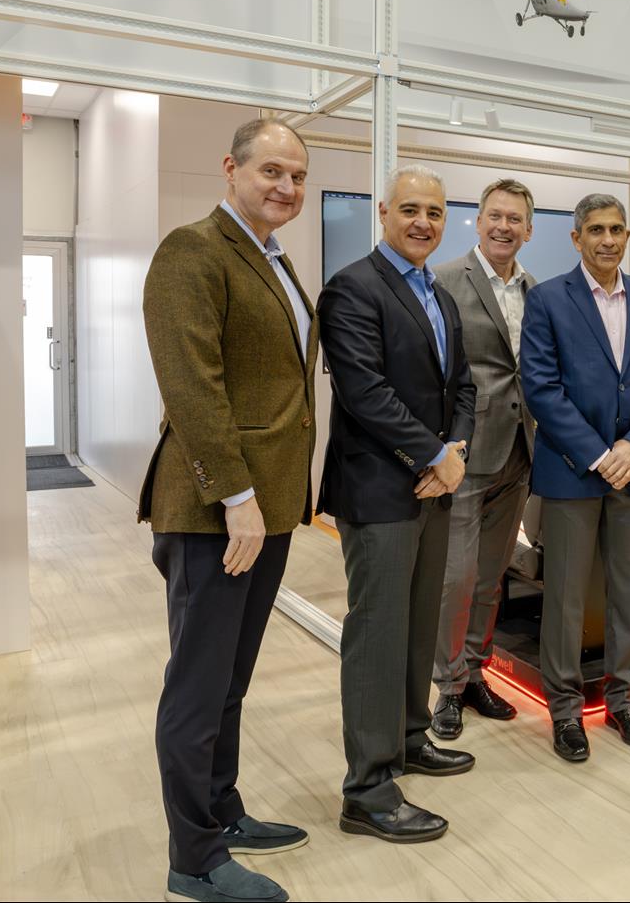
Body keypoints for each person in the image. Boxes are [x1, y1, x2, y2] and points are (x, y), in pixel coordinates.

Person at [140, 118, 315, 903]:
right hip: (216, 508)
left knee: (230, 681)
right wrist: (236, 497)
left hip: (265, 506)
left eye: (297, 176)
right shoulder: (193, 250)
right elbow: (191, 386)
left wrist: (265, 503)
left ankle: (222, 810)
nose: (286, 186)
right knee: (197, 688)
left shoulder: (271, 258)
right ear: (231, 168)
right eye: (271, 170)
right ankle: (194, 859)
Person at [317, 165, 477, 844]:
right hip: (381, 489)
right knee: (378, 634)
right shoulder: (352, 287)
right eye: (410, 209)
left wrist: (455, 451)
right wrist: (435, 456)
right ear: (383, 212)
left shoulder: (437, 294)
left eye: (434, 212)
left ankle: (410, 738)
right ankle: (368, 788)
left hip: (433, 485)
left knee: (416, 623)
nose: (423, 222)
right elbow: (364, 392)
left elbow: (461, 386)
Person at [520, 193, 630, 762]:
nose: (607, 240)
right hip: (572, 473)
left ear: (627, 236)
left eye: (616, 229)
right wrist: (597, 454)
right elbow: (541, 388)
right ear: (576, 238)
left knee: (629, 592)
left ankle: (623, 698)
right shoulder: (546, 299)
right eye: (595, 230)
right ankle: (565, 708)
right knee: (565, 596)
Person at [429, 178, 538, 739]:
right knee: (457, 577)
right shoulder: (445, 280)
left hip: (521, 449)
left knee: (493, 576)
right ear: (479, 220)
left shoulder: (536, 289)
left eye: (515, 219)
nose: (504, 227)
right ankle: (447, 687)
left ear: (529, 229)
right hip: (465, 451)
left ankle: (475, 673)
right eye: (496, 216)